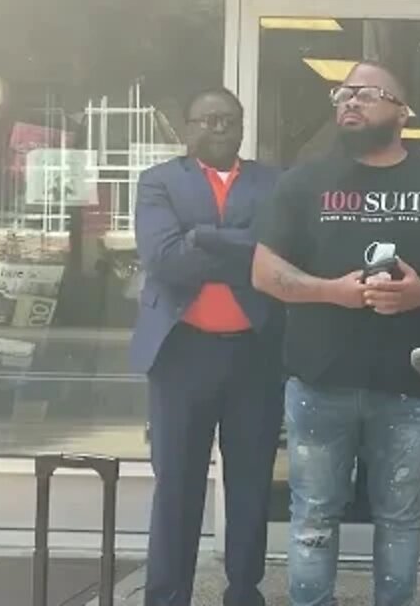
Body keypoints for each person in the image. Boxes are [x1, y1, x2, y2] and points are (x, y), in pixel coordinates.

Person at [252, 61, 420, 606]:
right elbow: (264, 272)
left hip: (405, 387)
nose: (349, 102)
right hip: (318, 382)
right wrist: (331, 291)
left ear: (402, 113)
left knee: (401, 518)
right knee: (314, 513)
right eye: (343, 93)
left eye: (367, 93)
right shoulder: (304, 181)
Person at [131, 87, 284, 606]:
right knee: (177, 485)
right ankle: (167, 595)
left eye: (230, 120)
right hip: (180, 355)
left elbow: (277, 251)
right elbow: (165, 259)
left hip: (254, 356)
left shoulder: (272, 182)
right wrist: (238, 246)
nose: (220, 128)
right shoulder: (158, 182)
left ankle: (244, 592)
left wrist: (202, 237)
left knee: (250, 484)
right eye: (209, 119)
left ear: (243, 127)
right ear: (187, 127)